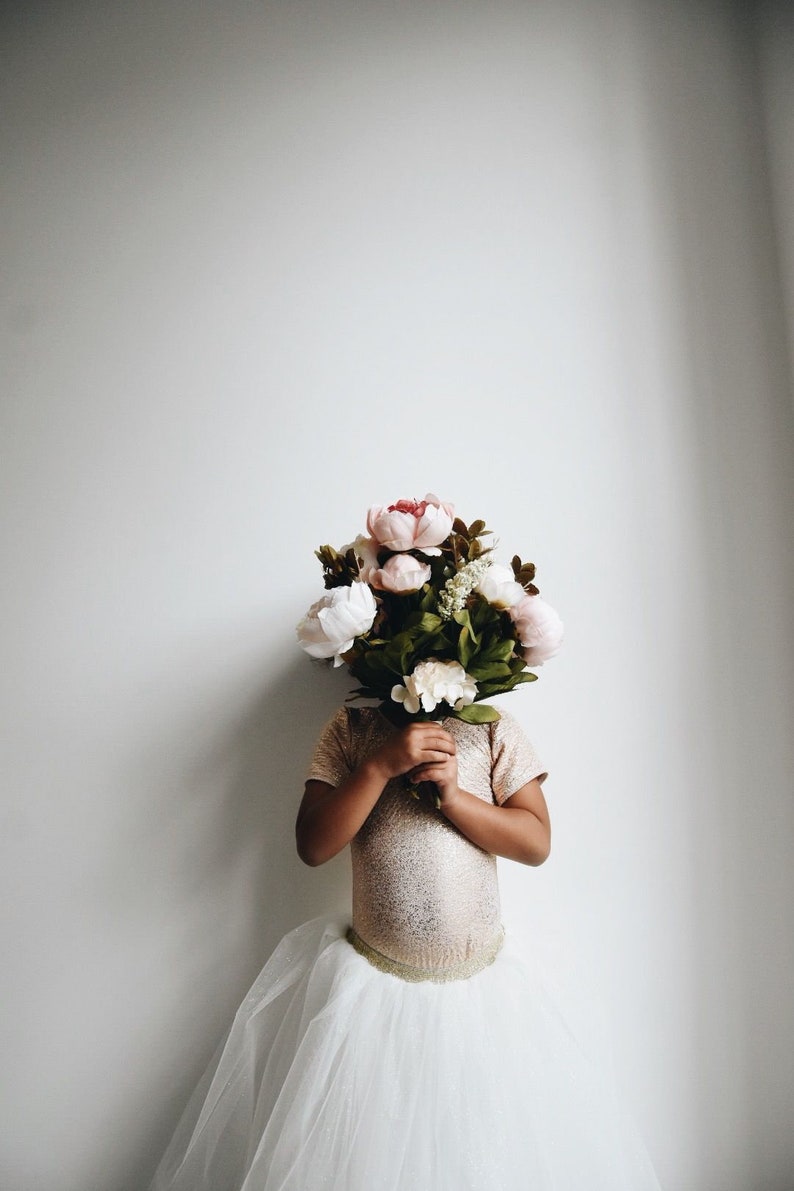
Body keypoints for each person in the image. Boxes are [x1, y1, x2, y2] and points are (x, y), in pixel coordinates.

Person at [148, 701, 662, 1190]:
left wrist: (455, 797)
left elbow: (535, 843)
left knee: (483, 1143)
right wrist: (378, 767)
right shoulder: (352, 727)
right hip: (369, 1000)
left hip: (482, 1000)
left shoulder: (490, 725)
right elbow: (313, 845)